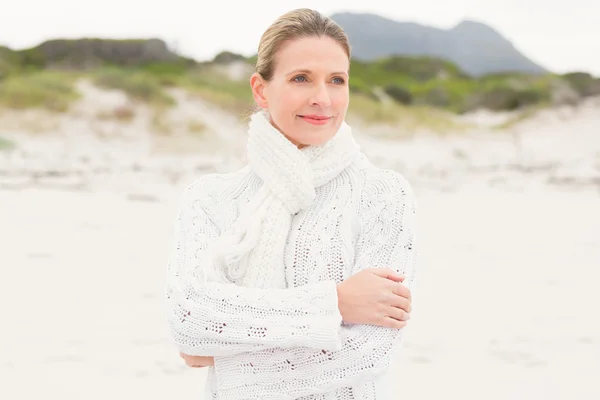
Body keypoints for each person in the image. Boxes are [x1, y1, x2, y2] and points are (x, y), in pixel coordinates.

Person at [165, 8, 418, 400]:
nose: (322, 98)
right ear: (261, 89)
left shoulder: (383, 194)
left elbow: (368, 353)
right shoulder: (209, 199)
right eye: (301, 78)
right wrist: (336, 302)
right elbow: (190, 320)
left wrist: (225, 355)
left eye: (337, 80)